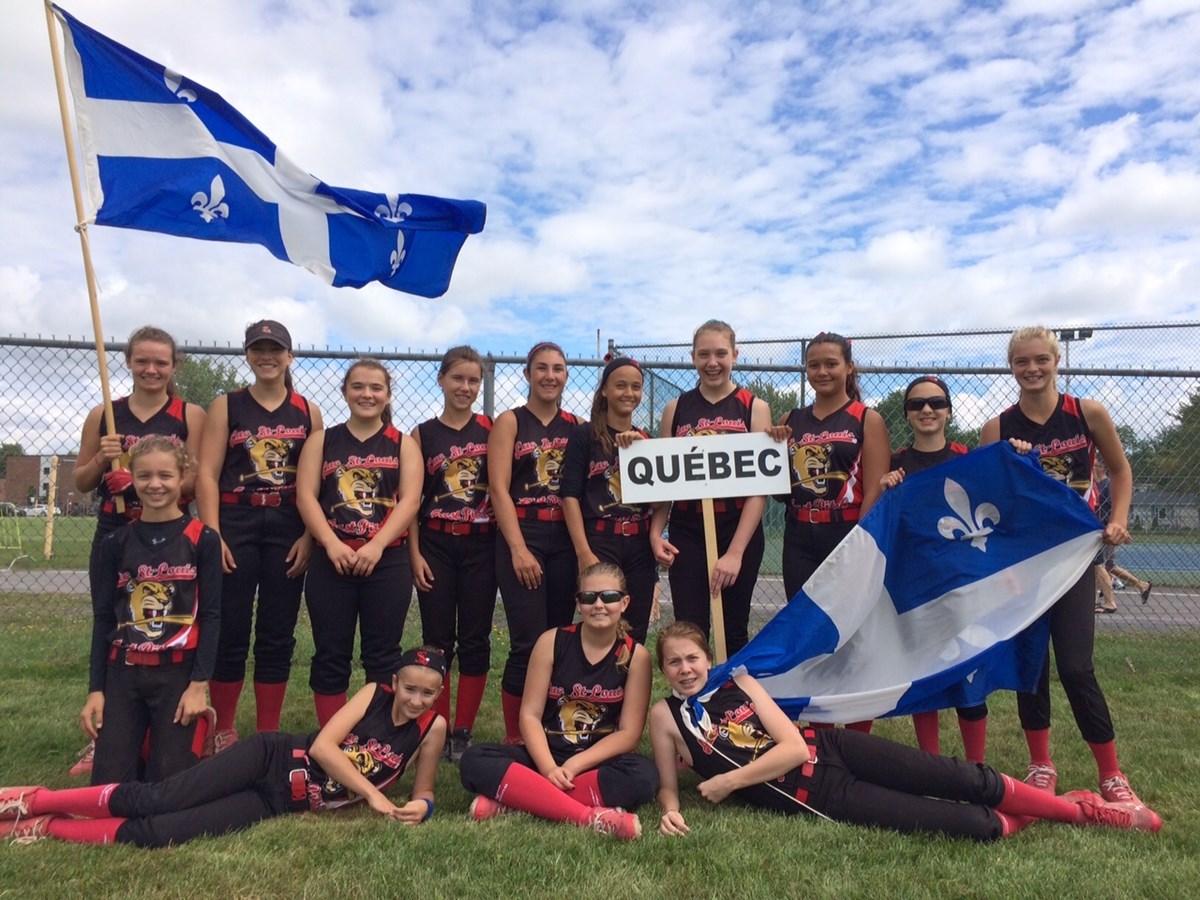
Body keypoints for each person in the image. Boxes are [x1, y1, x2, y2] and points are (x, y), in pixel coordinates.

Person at [649, 622, 1161, 841]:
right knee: (977, 827)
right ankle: (1059, 802)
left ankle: (1084, 813)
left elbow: (787, 747)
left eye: (693, 658)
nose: (685, 669)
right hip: (825, 793)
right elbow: (670, 783)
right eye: (674, 663)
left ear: (708, 658)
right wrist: (672, 809)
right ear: (664, 672)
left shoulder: (740, 682)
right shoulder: (664, 716)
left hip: (829, 748)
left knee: (966, 779)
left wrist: (727, 783)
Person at [0, 649, 448, 847]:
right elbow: (326, 749)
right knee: (161, 797)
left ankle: (42, 828)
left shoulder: (432, 728)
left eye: (428, 694)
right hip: (271, 758)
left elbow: (424, 790)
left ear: (439, 694)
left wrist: (421, 809)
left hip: (277, 802)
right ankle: (33, 800)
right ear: (395, 682)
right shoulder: (374, 694)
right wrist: (372, 794)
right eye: (410, 688)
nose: (416, 700)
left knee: (161, 833)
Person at [980, 326, 1147, 805]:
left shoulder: (1086, 413)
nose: (1032, 369)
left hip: (1074, 558)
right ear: (1010, 367)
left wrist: (1116, 518)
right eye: (1021, 362)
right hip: (1026, 561)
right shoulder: (999, 427)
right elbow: (987, 494)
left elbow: (1119, 469)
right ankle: (1040, 764)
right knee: (1031, 665)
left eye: (1041, 360)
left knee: (1076, 667)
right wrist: (1004, 463)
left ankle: (1111, 774)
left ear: (1056, 361)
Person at [70, 325, 206, 777]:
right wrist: (100, 458)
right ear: (128, 362)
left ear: (173, 367)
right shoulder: (104, 414)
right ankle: (109, 728)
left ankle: (164, 729)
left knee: (168, 622)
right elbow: (81, 481)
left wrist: (144, 480)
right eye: (142, 361)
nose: (151, 369)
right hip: (117, 530)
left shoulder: (189, 414)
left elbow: (195, 477)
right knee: (114, 623)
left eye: (161, 362)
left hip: (170, 532)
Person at [459, 562, 658, 840]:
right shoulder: (552, 641)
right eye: (589, 598)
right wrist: (549, 768)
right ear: (579, 604)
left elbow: (629, 735)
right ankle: (590, 817)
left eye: (609, 597)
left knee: (644, 776)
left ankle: (521, 799)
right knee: (474, 760)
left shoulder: (635, 656)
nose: (599, 604)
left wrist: (574, 767)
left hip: (595, 762)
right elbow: (529, 714)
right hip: (545, 752)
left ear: (624, 603)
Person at [196, 320, 322, 750]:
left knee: (277, 628)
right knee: (230, 625)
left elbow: (315, 483)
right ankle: (225, 727)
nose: (266, 356)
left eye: (276, 349)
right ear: (247, 355)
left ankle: (268, 731)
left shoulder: (307, 410)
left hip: (287, 522)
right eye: (258, 349)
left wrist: (309, 535)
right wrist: (212, 534)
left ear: (290, 356)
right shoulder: (227, 406)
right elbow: (208, 475)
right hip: (237, 520)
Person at [80, 436, 221, 786]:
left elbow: (213, 615)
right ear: (131, 478)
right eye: (144, 476)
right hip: (124, 673)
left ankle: (196, 725)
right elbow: (102, 619)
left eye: (165, 475)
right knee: (108, 789)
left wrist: (199, 685)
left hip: (178, 673)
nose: (155, 484)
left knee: (169, 789)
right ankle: (136, 741)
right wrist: (96, 690)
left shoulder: (202, 539)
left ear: (182, 476)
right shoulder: (115, 543)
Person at [769, 332, 889, 734]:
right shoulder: (790, 420)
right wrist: (769, 446)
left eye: (831, 364)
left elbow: (873, 488)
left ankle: (857, 740)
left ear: (848, 367)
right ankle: (816, 736)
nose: (821, 371)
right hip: (800, 536)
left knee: (854, 642)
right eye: (814, 364)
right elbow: (776, 489)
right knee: (809, 641)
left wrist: (857, 545)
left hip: (847, 535)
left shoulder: (865, 418)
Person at [297, 358, 421, 726]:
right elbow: (306, 496)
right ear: (345, 392)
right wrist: (331, 543)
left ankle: (375, 736)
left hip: (386, 560)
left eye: (375, 388)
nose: (367, 394)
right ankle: (330, 741)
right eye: (358, 387)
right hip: (330, 560)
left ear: (387, 395)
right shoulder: (322, 441)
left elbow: (410, 501)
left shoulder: (403, 443)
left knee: (382, 656)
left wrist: (377, 545)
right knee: (330, 655)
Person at [878, 376, 987, 762]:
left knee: (968, 673)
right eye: (917, 404)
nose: (927, 409)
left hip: (960, 581)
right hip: (915, 583)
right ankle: (934, 762)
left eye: (936, 402)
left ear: (949, 411)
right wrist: (884, 487)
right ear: (906, 413)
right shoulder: (895, 464)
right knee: (926, 672)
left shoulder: (970, 459)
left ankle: (977, 767)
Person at [650, 321, 771, 655]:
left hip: (738, 527)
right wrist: (656, 532)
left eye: (720, 353)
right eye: (704, 354)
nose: (712, 362)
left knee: (734, 630)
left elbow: (759, 489)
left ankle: (732, 704)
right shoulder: (676, 409)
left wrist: (734, 553)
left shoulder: (754, 407)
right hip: (688, 530)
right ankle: (694, 703)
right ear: (693, 357)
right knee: (690, 631)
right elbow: (665, 480)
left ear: (735, 354)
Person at [489, 341, 583, 742]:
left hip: (563, 536)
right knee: (527, 642)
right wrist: (517, 549)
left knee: (559, 641)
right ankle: (515, 737)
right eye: (541, 368)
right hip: (522, 532)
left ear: (566, 375)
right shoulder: (511, 421)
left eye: (558, 369)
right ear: (527, 374)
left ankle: (548, 728)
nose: (550, 375)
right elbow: (498, 488)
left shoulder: (577, 426)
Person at [410, 347, 497, 762]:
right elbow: (408, 500)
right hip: (436, 542)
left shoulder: (493, 430)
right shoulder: (422, 434)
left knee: (476, 638)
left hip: (482, 542)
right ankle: (437, 725)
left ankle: (462, 729)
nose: (465, 387)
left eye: (473, 380)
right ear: (441, 379)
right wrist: (414, 552)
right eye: (458, 378)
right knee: (438, 638)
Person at [562, 356, 657, 644]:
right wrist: (583, 553)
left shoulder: (646, 439)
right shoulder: (585, 435)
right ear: (604, 390)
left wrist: (645, 450)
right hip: (600, 540)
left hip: (639, 543)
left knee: (635, 628)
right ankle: (601, 688)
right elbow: (569, 496)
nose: (629, 393)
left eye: (636, 387)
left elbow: (660, 500)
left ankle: (631, 688)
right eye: (620, 385)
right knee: (601, 625)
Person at [1093, 460, 1152, 613]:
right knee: (1110, 566)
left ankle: (1109, 602)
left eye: (1093, 466)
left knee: (1098, 565)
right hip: (1101, 531)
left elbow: (1116, 509)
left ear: (1100, 468)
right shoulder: (1096, 486)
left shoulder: (1107, 486)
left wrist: (1120, 528)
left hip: (1106, 531)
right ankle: (1141, 585)